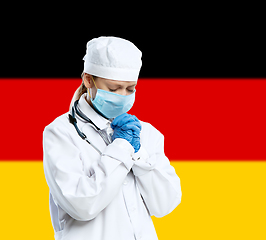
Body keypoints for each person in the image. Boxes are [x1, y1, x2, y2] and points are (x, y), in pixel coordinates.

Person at [43, 36, 182, 240]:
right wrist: (121, 147)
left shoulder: (145, 132)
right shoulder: (61, 132)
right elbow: (82, 205)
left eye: (130, 89)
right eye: (113, 88)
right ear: (88, 79)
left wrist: (140, 155)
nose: (123, 96)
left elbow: (165, 204)